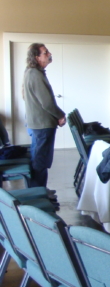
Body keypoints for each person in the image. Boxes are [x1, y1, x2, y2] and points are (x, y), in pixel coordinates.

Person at [23, 43, 66, 188]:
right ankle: (38, 194)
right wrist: (60, 115)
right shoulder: (35, 74)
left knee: (40, 160)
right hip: (42, 126)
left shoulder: (32, 72)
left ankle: (41, 191)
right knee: (40, 162)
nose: (49, 54)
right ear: (37, 57)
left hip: (39, 125)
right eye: (45, 52)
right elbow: (47, 103)